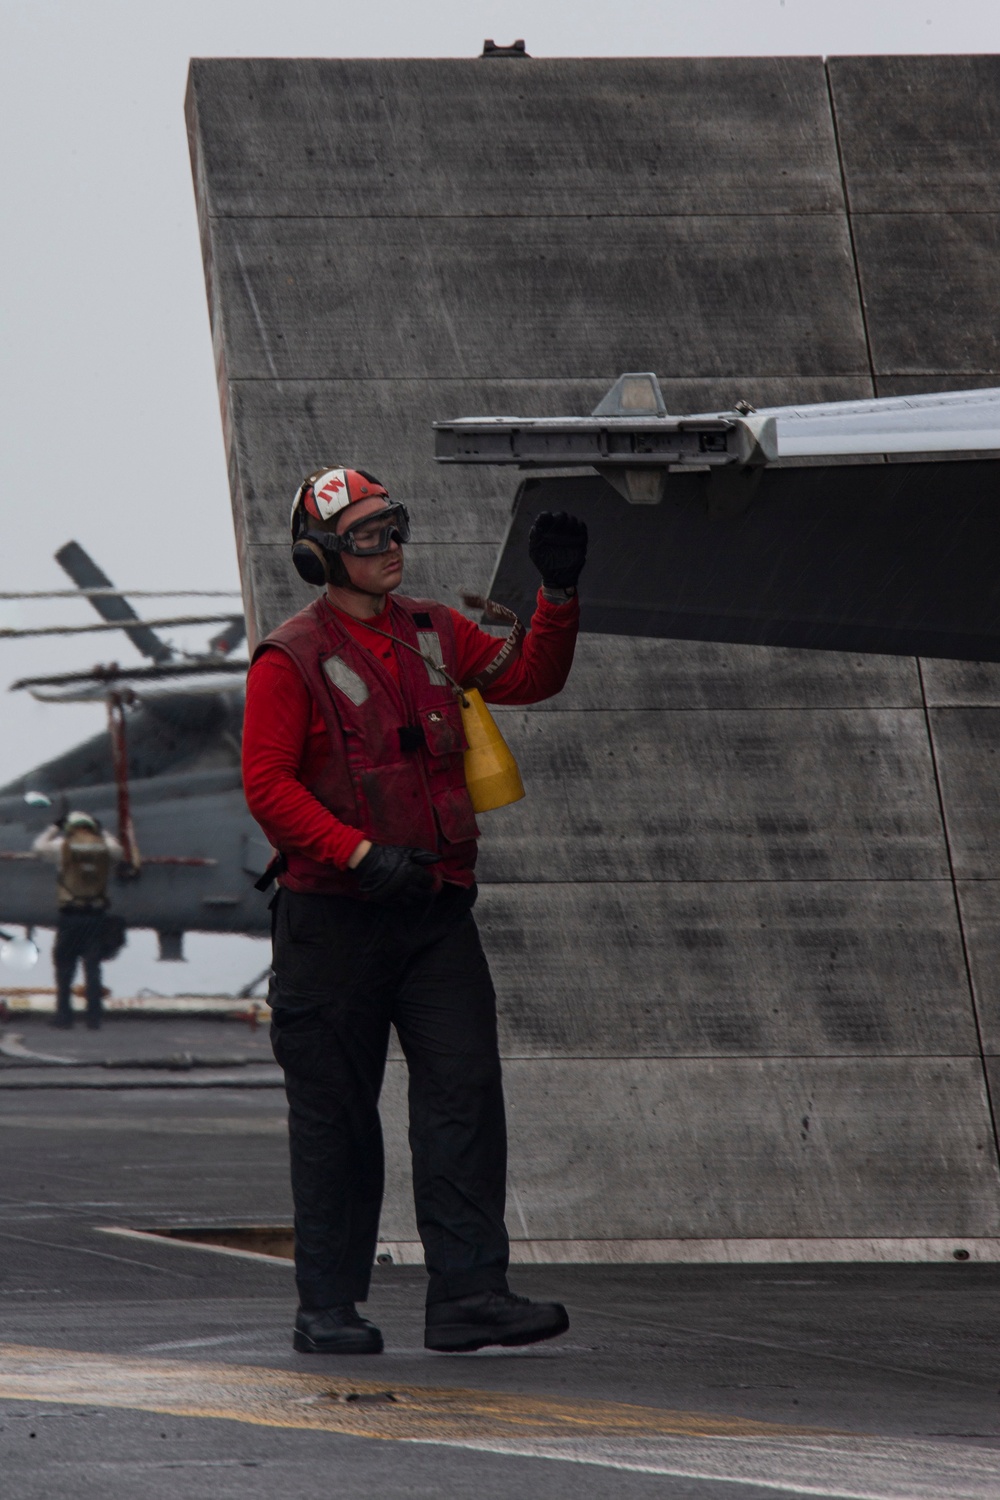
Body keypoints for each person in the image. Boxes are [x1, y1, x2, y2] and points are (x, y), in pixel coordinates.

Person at [242, 465, 587, 1356]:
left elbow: (533, 679)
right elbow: (267, 788)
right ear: (321, 560)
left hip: (433, 914)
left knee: (465, 1094)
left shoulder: (436, 632)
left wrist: (558, 592)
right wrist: (358, 852)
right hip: (333, 923)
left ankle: (469, 1297)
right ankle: (328, 1307)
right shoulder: (291, 659)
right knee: (336, 1119)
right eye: (364, 537)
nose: (389, 547)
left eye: (392, 527)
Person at [32, 811, 124, 1030]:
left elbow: (38, 848)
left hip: (71, 916)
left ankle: (64, 1016)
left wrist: (54, 827)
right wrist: (104, 831)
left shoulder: (62, 845)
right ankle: (94, 1018)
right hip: (95, 916)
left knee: (65, 968)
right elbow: (118, 850)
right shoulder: (105, 847)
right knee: (92, 968)